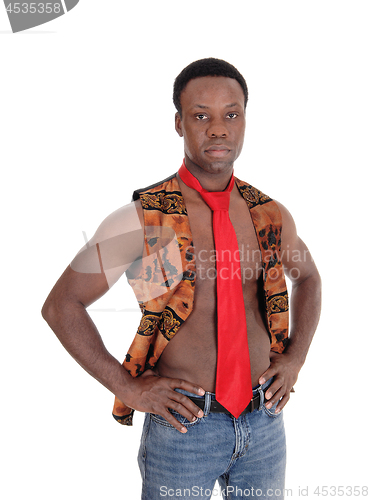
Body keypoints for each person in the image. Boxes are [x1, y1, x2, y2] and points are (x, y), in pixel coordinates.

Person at [42, 58, 321, 500]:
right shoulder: (144, 218)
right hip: (184, 426)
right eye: (201, 115)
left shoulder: (269, 214)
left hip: (264, 420)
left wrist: (296, 359)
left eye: (231, 114)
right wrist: (127, 387)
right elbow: (61, 306)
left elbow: (309, 279)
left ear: (245, 119)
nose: (218, 129)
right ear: (179, 123)